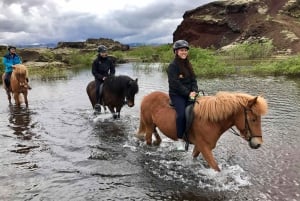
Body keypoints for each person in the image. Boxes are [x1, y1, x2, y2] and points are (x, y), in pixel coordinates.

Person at [167, 40, 198, 149]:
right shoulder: (172, 66)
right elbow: (175, 84)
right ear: (176, 52)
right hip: (177, 95)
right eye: (181, 50)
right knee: (181, 115)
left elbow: (194, 79)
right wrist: (188, 93)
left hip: (190, 94)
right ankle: (180, 138)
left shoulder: (188, 64)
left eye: (185, 50)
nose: (184, 52)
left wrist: (195, 91)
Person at [92, 45, 116, 112]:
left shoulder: (109, 60)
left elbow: (112, 69)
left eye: (105, 52)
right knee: (97, 89)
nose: (105, 53)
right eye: (103, 52)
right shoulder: (96, 61)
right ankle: (98, 104)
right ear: (99, 53)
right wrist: (102, 78)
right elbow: (94, 72)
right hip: (99, 78)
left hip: (108, 77)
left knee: (116, 86)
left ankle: (120, 100)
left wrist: (111, 76)